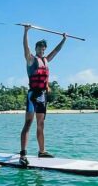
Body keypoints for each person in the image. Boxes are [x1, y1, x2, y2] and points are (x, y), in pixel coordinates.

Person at [19, 25, 67, 166]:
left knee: (41, 124)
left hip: (42, 96)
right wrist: (26, 31)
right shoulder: (31, 59)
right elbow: (25, 47)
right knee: (28, 123)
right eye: (40, 48)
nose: (42, 50)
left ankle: (42, 151)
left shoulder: (46, 60)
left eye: (44, 48)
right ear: (36, 49)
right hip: (32, 95)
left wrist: (63, 39)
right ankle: (23, 154)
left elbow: (56, 51)